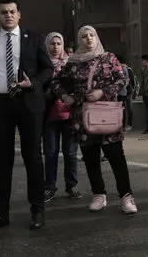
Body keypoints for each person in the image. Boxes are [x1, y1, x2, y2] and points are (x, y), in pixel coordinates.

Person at [0, 0, 53, 233]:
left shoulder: (33, 38)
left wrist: (32, 82)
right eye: (4, 12)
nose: (8, 15)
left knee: (32, 158)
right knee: (2, 162)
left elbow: (48, 69)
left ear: (19, 14)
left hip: (28, 104)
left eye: (12, 11)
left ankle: (37, 210)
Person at [51, 25, 137, 215]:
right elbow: (56, 81)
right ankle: (99, 194)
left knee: (116, 158)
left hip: (106, 114)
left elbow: (122, 80)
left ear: (97, 38)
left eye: (91, 35)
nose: (88, 39)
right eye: (83, 36)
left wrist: (102, 92)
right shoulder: (72, 63)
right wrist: (66, 97)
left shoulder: (108, 58)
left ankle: (126, 196)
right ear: (79, 40)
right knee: (91, 158)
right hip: (82, 117)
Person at [42, 32, 81, 202]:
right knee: (50, 153)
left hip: (69, 114)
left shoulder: (71, 63)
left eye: (58, 43)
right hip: (48, 115)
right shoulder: (41, 64)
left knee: (70, 153)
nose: (55, 46)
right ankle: (49, 187)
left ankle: (71, 186)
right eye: (52, 43)